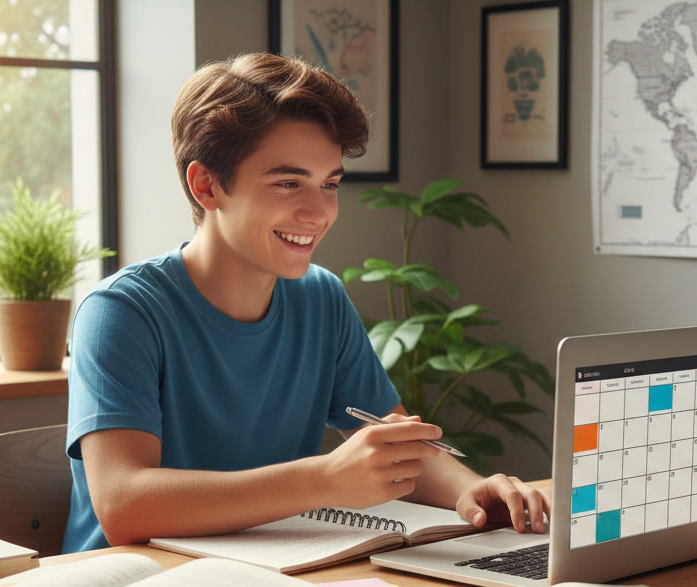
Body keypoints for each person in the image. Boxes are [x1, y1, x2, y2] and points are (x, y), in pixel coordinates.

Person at [61, 53, 549, 553]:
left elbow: (395, 446)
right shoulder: (121, 312)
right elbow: (122, 506)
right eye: (288, 183)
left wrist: (468, 489)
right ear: (206, 185)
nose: (318, 213)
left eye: (329, 184)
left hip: (267, 574)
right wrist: (326, 479)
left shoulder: (320, 297)